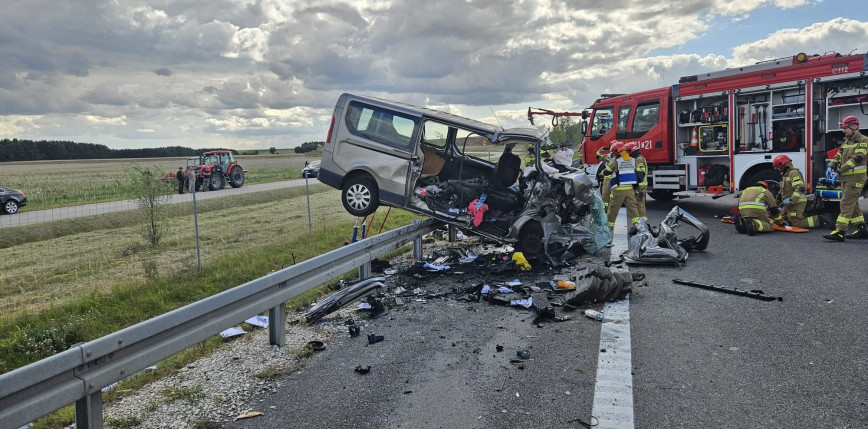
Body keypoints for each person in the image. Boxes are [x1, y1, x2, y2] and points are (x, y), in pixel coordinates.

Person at [823, 115, 868, 241]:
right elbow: (838, 155)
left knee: (846, 203)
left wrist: (839, 171)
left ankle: (840, 231)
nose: (843, 131)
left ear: (854, 127)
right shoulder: (846, 141)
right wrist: (830, 166)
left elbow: (857, 159)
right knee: (853, 204)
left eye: (845, 128)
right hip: (846, 179)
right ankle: (862, 228)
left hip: (856, 179)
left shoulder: (864, 141)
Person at [773, 154, 824, 228]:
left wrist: (792, 200)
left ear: (782, 164)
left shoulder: (794, 173)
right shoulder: (785, 176)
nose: (778, 170)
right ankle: (792, 218)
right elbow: (781, 191)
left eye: (778, 167)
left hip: (797, 202)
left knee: (796, 223)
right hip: (788, 203)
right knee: (779, 219)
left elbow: (800, 188)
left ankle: (821, 219)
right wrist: (774, 204)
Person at [604, 141, 640, 231]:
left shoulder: (615, 162)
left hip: (618, 191)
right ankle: (639, 229)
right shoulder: (633, 160)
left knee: (612, 211)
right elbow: (639, 175)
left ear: (616, 152)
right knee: (634, 211)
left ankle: (609, 230)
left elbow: (606, 172)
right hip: (630, 191)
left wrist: (602, 173)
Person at [624, 142, 648, 224]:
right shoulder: (640, 158)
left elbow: (640, 174)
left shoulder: (638, 159)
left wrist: (639, 188)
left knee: (639, 206)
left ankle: (641, 226)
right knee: (640, 205)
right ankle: (641, 225)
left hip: (639, 187)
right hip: (640, 186)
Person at [595, 145, 613, 210]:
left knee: (605, 195)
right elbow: (598, 156)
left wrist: (601, 150)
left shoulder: (608, 157)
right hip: (618, 178)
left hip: (608, 178)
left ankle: (606, 209)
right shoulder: (622, 157)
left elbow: (598, 156)